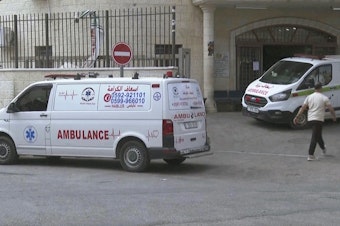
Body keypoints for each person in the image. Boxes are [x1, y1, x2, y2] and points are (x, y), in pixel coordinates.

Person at [293, 83, 336, 161]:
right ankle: (310, 155)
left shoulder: (309, 97)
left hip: (310, 119)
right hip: (318, 119)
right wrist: (334, 116)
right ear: (321, 88)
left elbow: (303, 108)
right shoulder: (324, 98)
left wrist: (297, 117)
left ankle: (323, 148)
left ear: (314, 88)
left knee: (318, 135)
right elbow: (331, 109)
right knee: (315, 137)